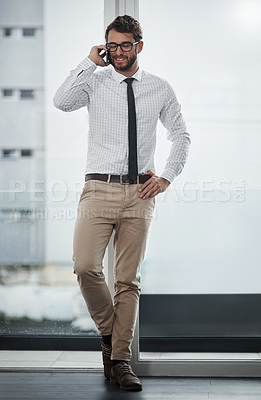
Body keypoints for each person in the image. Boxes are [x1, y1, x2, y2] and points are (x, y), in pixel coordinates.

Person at [53, 14, 190, 391]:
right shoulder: (94, 83)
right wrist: (87, 62)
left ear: (139, 46)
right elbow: (61, 102)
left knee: (128, 280)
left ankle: (120, 362)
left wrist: (166, 176)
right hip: (99, 188)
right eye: (111, 45)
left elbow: (181, 135)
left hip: (140, 192)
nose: (117, 52)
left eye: (124, 45)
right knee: (84, 266)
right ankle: (111, 336)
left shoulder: (159, 88)